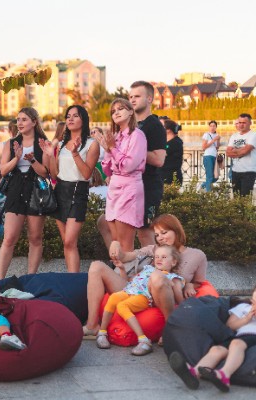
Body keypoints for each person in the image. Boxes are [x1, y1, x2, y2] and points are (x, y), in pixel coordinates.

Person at [83, 214, 208, 338]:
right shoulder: (153, 249)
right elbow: (126, 256)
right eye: (157, 235)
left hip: (159, 296)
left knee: (157, 277)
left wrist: (190, 285)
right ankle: (92, 326)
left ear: (176, 230)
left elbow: (200, 282)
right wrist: (116, 246)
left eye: (164, 233)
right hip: (137, 290)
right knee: (96, 266)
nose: (160, 238)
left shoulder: (197, 255)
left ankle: (170, 328)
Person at [97, 245, 184, 356]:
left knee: (122, 306)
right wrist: (122, 269)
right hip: (129, 291)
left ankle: (143, 340)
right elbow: (129, 282)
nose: (159, 259)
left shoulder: (172, 277)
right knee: (113, 297)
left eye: (164, 257)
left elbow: (178, 297)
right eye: (157, 257)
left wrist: (182, 305)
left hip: (144, 296)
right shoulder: (148, 269)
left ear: (173, 262)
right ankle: (102, 333)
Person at [42, 105, 99, 273]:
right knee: (66, 243)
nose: (70, 119)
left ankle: (73, 280)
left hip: (78, 191)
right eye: (68, 116)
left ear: (84, 119)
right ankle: (70, 278)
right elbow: (55, 173)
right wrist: (50, 155)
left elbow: (87, 173)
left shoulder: (92, 144)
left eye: (75, 115)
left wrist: (75, 153)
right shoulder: (60, 144)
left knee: (69, 241)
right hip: (60, 190)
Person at [168, 285, 256, 393]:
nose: (254, 306)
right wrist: (245, 319)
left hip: (252, 337)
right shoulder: (243, 307)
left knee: (237, 344)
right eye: (253, 302)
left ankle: (224, 374)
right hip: (237, 336)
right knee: (216, 349)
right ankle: (194, 373)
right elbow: (229, 325)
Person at [0, 107, 50, 280]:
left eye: (24, 119)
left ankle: (30, 278)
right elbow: (3, 170)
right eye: (18, 119)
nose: (20, 123)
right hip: (16, 190)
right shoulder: (11, 143)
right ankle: (0, 279)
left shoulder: (43, 143)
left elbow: (45, 172)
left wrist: (32, 160)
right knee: (9, 237)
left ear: (34, 122)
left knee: (35, 237)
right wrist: (16, 158)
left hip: (36, 191)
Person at [94, 98, 147, 253]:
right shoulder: (115, 137)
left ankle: (128, 268)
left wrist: (112, 149)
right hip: (114, 188)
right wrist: (107, 149)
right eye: (113, 111)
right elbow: (107, 170)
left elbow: (129, 166)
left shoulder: (137, 135)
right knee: (116, 241)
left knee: (125, 244)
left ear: (130, 111)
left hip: (129, 188)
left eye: (120, 109)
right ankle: (119, 267)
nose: (116, 113)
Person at [129, 81, 167, 246]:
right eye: (130, 96)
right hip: (130, 186)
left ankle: (154, 263)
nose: (132, 100)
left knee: (145, 232)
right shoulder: (131, 125)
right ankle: (126, 260)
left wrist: (133, 149)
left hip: (149, 187)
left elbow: (159, 160)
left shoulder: (155, 125)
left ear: (149, 99)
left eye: (137, 96)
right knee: (107, 223)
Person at [226, 113, 256, 197]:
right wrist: (241, 150)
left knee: (245, 198)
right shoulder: (234, 136)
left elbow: (245, 151)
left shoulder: (253, 135)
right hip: (235, 171)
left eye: (244, 123)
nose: (241, 125)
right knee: (236, 198)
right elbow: (228, 152)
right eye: (240, 122)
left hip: (248, 171)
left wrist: (235, 150)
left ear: (250, 123)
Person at [201, 120, 221, 192]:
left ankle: (204, 184)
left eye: (214, 126)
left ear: (216, 127)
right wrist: (214, 140)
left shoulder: (217, 135)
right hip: (208, 156)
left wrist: (218, 140)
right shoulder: (206, 134)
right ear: (209, 127)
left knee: (216, 177)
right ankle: (208, 194)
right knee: (209, 176)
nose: (212, 127)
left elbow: (217, 147)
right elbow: (203, 147)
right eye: (211, 126)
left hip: (214, 157)